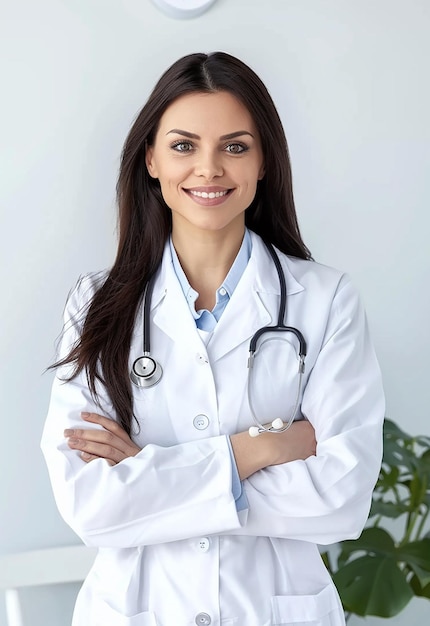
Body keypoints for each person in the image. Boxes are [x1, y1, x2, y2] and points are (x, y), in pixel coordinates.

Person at [41, 52, 385, 626]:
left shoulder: (326, 300)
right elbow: (93, 507)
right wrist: (257, 450)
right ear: (150, 159)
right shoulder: (96, 304)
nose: (209, 169)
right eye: (183, 146)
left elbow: (340, 501)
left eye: (234, 146)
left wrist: (151, 474)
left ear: (264, 160)